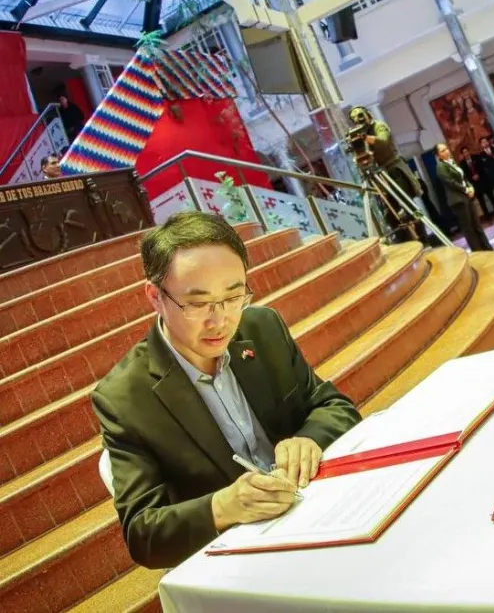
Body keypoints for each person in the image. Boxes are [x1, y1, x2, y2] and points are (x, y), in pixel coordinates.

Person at [92, 212, 362, 569]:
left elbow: (333, 405)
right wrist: (224, 506)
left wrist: (309, 439)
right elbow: (144, 535)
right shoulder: (125, 397)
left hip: (320, 509)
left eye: (234, 297)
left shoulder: (261, 327)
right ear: (156, 297)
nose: (220, 321)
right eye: (198, 304)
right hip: (246, 553)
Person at [349, 106, 427, 244]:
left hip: (394, 170)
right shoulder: (360, 133)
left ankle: (423, 238)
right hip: (381, 175)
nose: (358, 119)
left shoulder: (379, 126)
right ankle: (405, 242)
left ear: (368, 114)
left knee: (409, 207)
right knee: (391, 214)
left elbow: (383, 141)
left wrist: (366, 138)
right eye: (354, 118)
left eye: (360, 115)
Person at [434, 143, 493, 251]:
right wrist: (465, 189)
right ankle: (478, 252)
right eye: (442, 151)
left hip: (466, 197)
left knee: (477, 225)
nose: (446, 151)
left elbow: (463, 178)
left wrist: (471, 187)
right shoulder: (440, 167)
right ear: (438, 155)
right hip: (458, 200)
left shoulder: (452, 162)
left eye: (446, 149)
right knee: (469, 229)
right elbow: (450, 182)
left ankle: (488, 249)